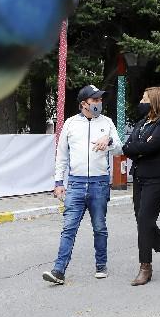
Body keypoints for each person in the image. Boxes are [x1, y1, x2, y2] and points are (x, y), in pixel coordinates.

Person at [43, 85, 122, 285]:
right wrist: (59, 182)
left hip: (99, 182)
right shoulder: (70, 124)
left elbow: (120, 149)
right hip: (76, 182)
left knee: (99, 227)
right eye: (94, 100)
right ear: (83, 104)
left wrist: (109, 139)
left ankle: (101, 265)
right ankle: (58, 270)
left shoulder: (107, 123)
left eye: (100, 100)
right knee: (68, 227)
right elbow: (61, 155)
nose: (98, 103)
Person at [122, 87, 160, 286]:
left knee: (145, 220)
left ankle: (145, 267)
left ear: (155, 101)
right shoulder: (141, 123)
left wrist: (139, 148)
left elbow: (150, 146)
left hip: (157, 178)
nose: (141, 100)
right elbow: (127, 147)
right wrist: (139, 148)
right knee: (142, 220)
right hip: (140, 176)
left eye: (145, 98)